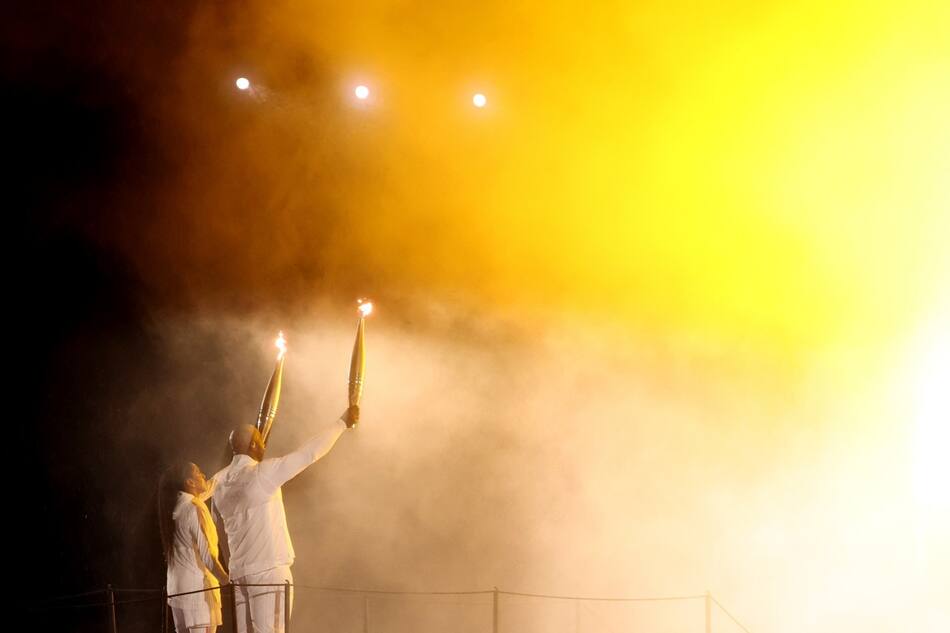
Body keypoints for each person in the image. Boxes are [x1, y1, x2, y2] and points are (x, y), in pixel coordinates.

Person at [211, 405, 359, 633]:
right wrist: (341, 423)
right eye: (261, 440)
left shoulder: (219, 485)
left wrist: (233, 566)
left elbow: (218, 533)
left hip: (240, 574)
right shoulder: (261, 474)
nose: (264, 444)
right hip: (268, 570)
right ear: (253, 445)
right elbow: (308, 454)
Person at [158, 462, 229, 633]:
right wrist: (229, 581)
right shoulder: (194, 508)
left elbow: (211, 485)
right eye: (199, 472)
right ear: (190, 482)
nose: (204, 475)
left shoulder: (175, 507)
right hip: (198, 593)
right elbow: (208, 556)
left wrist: (233, 465)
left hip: (178, 591)